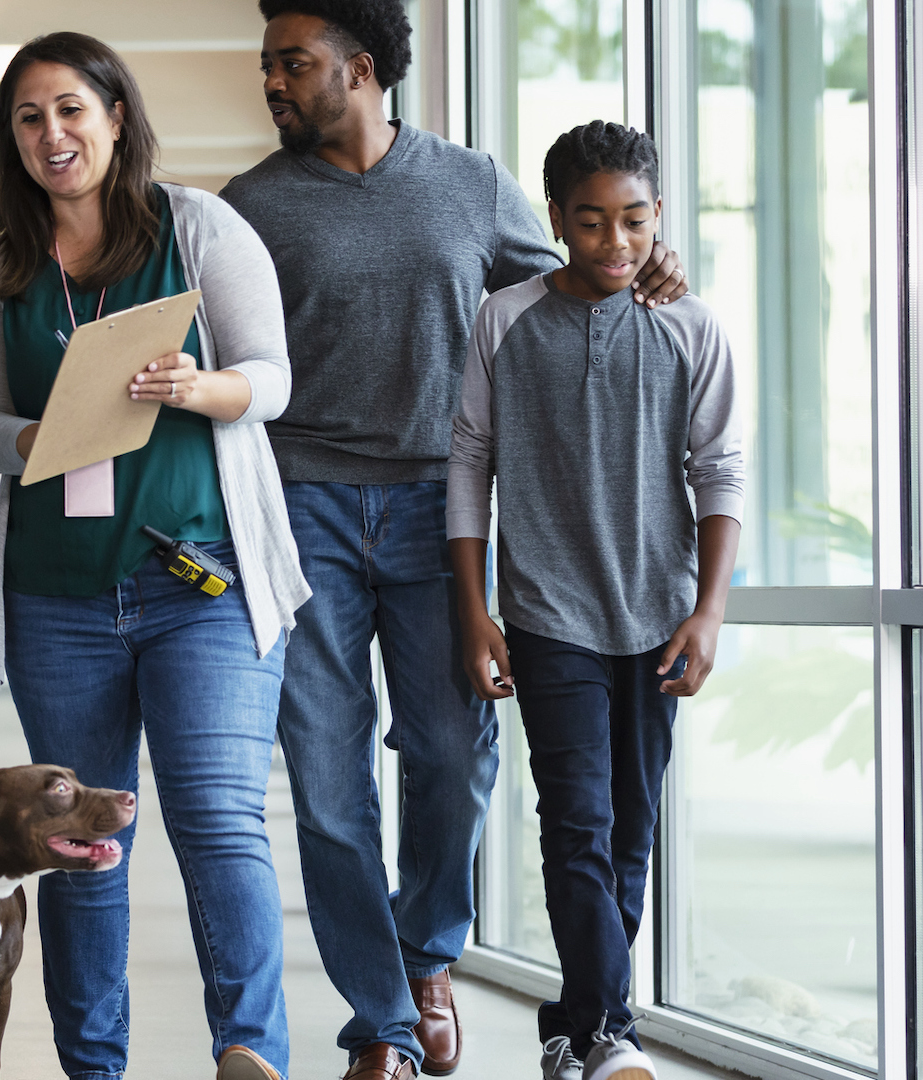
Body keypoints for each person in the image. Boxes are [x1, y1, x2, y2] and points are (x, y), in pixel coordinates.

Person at [217, 4, 689, 1077]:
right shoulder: (251, 207)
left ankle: (428, 949)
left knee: (448, 755)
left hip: (444, 511)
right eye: (268, 68)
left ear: (363, 68)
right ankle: (382, 1018)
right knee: (331, 784)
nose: (275, 84)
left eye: (294, 65)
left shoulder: (468, 183)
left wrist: (658, 271)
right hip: (305, 511)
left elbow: (570, 282)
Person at [0, 31, 311, 1080]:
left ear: (116, 117)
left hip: (200, 581)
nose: (51, 134)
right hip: (58, 599)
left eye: (71, 109)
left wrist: (199, 390)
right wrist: (41, 433)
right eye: (28, 118)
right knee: (78, 849)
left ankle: (248, 1049)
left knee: (216, 818)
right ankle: (92, 1066)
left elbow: (273, 377)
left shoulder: (197, 228)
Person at [447, 121, 743, 1080]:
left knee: (632, 822)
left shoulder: (691, 325)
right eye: (591, 222)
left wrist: (708, 611)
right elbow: (469, 467)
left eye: (637, 221)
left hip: (657, 616)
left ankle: (574, 1027)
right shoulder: (504, 318)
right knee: (577, 820)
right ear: (557, 221)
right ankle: (612, 1034)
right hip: (546, 615)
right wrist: (474, 606)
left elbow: (721, 473)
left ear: (659, 216)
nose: (617, 243)